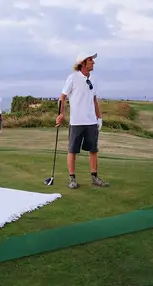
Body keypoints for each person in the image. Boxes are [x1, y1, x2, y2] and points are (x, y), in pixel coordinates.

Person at [56, 51, 109, 189]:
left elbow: (94, 99)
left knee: (93, 150)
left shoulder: (94, 79)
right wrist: (61, 114)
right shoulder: (72, 78)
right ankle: (72, 179)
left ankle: (94, 177)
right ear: (83, 63)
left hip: (91, 121)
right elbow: (62, 97)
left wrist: (99, 117)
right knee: (72, 150)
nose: (93, 62)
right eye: (91, 60)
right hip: (76, 122)